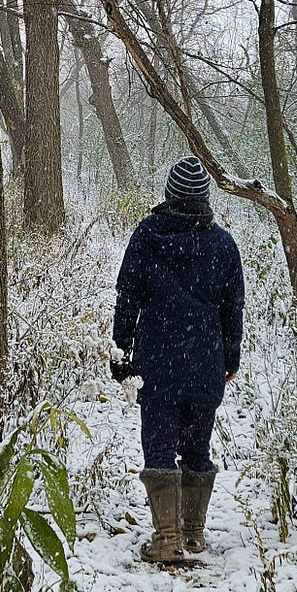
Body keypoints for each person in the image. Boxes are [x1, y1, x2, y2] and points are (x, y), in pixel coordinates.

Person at [110, 156, 245, 564]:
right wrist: (230, 358)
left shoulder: (148, 236)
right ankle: (193, 533)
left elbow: (127, 296)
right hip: (205, 361)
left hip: (157, 362)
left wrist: (122, 351)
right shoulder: (223, 245)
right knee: (197, 448)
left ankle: (166, 537)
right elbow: (232, 307)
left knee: (160, 447)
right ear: (204, 199)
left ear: (169, 196)